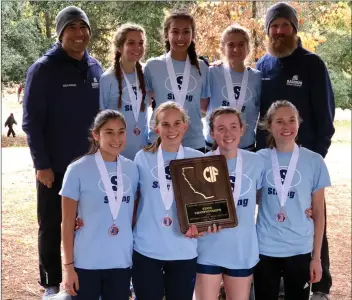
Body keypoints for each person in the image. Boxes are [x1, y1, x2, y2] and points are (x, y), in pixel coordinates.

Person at [22, 6, 103, 299]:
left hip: (90, 166)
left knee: (87, 222)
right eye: (72, 28)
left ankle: (82, 273)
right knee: (51, 223)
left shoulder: (95, 67)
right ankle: (52, 282)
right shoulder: (44, 69)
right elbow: (31, 121)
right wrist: (41, 164)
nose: (79, 34)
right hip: (54, 167)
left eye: (84, 27)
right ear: (60, 33)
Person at [255, 3, 335, 299]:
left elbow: (326, 119)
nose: (279, 31)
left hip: (304, 162)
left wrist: (311, 164)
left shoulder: (312, 64)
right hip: (271, 160)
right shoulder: (263, 65)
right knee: (270, 217)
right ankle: (271, 280)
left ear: (295, 28)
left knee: (314, 218)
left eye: (285, 25)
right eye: (274, 26)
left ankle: (320, 284)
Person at [132, 101, 216, 300]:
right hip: (146, 249)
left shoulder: (197, 159)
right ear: (156, 128)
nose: (172, 129)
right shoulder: (142, 158)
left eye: (177, 123)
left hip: (183, 250)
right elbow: (132, 200)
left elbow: (207, 204)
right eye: (166, 124)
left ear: (185, 126)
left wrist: (202, 226)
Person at [254, 100, 330, 300]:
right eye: (279, 121)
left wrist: (317, 258)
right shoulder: (258, 159)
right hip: (265, 246)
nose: (286, 126)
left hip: (299, 247)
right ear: (269, 125)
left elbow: (319, 214)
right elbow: (250, 197)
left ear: (299, 123)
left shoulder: (314, 161)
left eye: (291, 120)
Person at [60, 110, 138, 300]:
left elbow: (133, 214)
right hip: (86, 262)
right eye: (109, 132)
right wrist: (68, 267)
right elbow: (67, 222)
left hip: (121, 261)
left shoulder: (132, 168)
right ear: (96, 135)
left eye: (121, 132)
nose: (116, 138)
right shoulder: (77, 169)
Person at [195, 107, 264, 300]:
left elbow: (264, 197)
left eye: (234, 126)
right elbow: (194, 207)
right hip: (208, 246)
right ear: (211, 133)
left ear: (242, 129)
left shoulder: (256, 162)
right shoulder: (200, 164)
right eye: (221, 128)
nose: (228, 133)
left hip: (241, 248)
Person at [143, 10, 210, 153]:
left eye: (186, 31)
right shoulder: (152, 66)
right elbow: (143, 102)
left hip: (193, 140)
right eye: (175, 31)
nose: (180, 37)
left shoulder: (202, 67)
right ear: (167, 35)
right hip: (160, 138)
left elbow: (205, 105)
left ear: (193, 35)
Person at [203, 24, 261, 153]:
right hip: (215, 145)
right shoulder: (212, 73)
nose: (236, 49)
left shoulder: (257, 77)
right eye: (231, 45)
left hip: (245, 146)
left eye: (241, 44)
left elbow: (261, 109)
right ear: (223, 49)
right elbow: (203, 105)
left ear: (248, 48)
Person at [100, 23, 149, 160]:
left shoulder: (147, 73)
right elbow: (100, 119)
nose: (137, 47)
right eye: (131, 43)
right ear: (120, 47)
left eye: (141, 43)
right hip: (116, 150)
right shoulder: (107, 78)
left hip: (143, 149)